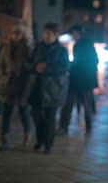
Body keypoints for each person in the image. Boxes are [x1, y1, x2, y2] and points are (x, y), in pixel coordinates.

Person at [28, 23, 69, 154]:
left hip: (53, 88)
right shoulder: (38, 47)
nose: (46, 36)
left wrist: (47, 69)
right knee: (36, 115)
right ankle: (40, 140)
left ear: (56, 35)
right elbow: (28, 62)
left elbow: (65, 67)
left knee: (50, 118)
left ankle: (48, 145)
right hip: (37, 86)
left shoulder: (61, 50)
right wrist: (35, 67)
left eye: (49, 34)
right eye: (45, 33)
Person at [0, 23, 33, 151]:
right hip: (9, 84)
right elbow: (0, 64)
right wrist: (3, 76)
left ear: (23, 35)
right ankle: (5, 139)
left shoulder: (28, 48)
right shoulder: (6, 48)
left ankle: (28, 134)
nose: (16, 36)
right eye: (14, 33)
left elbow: (31, 66)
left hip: (23, 85)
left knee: (24, 112)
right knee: (6, 112)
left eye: (19, 33)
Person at [58, 25, 98, 135]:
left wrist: (72, 68)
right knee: (85, 104)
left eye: (73, 33)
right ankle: (87, 127)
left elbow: (82, 61)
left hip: (80, 79)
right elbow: (94, 61)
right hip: (84, 80)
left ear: (78, 33)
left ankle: (64, 127)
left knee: (71, 104)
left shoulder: (82, 44)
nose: (72, 36)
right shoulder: (86, 44)